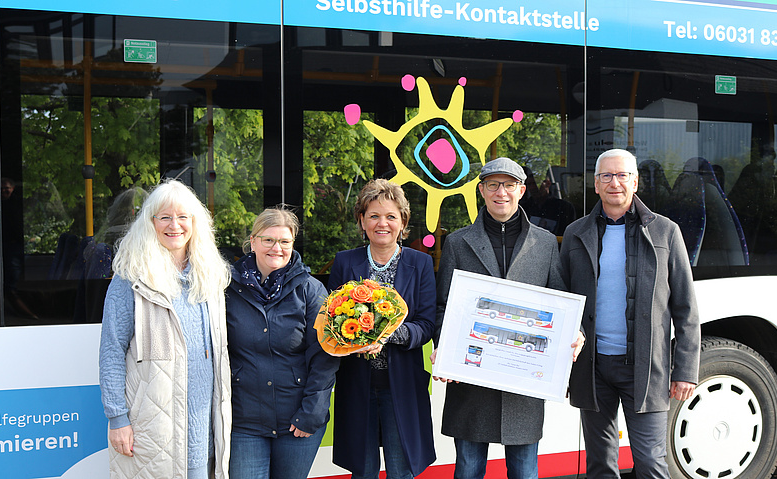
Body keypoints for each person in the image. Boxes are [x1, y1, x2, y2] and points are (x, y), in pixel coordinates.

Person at [431, 157, 584, 479]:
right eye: (493, 185)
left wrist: (575, 330)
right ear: (481, 191)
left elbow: (560, 300)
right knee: (469, 469)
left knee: (524, 471)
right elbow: (444, 304)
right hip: (471, 377)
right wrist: (446, 350)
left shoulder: (544, 242)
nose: (501, 192)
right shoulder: (458, 242)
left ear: (522, 190)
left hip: (524, 380)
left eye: (509, 185)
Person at [559, 148, 701, 478]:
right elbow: (562, 299)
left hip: (645, 368)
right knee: (600, 464)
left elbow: (685, 307)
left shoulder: (666, 232)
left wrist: (685, 370)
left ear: (635, 182)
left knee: (651, 463)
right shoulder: (576, 234)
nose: (615, 183)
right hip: (592, 368)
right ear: (595, 184)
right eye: (606, 176)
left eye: (622, 175)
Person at [99, 179, 233, 479]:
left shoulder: (209, 277)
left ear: (195, 223)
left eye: (183, 216)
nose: (175, 225)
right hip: (153, 430)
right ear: (151, 223)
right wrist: (117, 419)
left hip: (204, 430)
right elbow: (111, 354)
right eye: (165, 217)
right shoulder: (130, 278)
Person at [328, 179, 436, 479]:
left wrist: (387, 335)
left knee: (401, 471)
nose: (382, 223)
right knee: (362, 472)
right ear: (361, 221)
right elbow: (331, 319)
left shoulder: (421, 264)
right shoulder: (344, 261)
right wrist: (351, 338)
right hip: (357, 384)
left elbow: (426, 325)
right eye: (373, 216)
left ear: (403, 221)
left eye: (390, 216)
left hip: (402, 386)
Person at [226, 207, 339, 479]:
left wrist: (311, 413)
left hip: (297, 420)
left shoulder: (311, 289)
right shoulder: (227, 287)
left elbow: (325, 356)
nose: (276, 248)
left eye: (284, 242)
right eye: (268, 240)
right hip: (244, 421)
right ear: (253, 242)